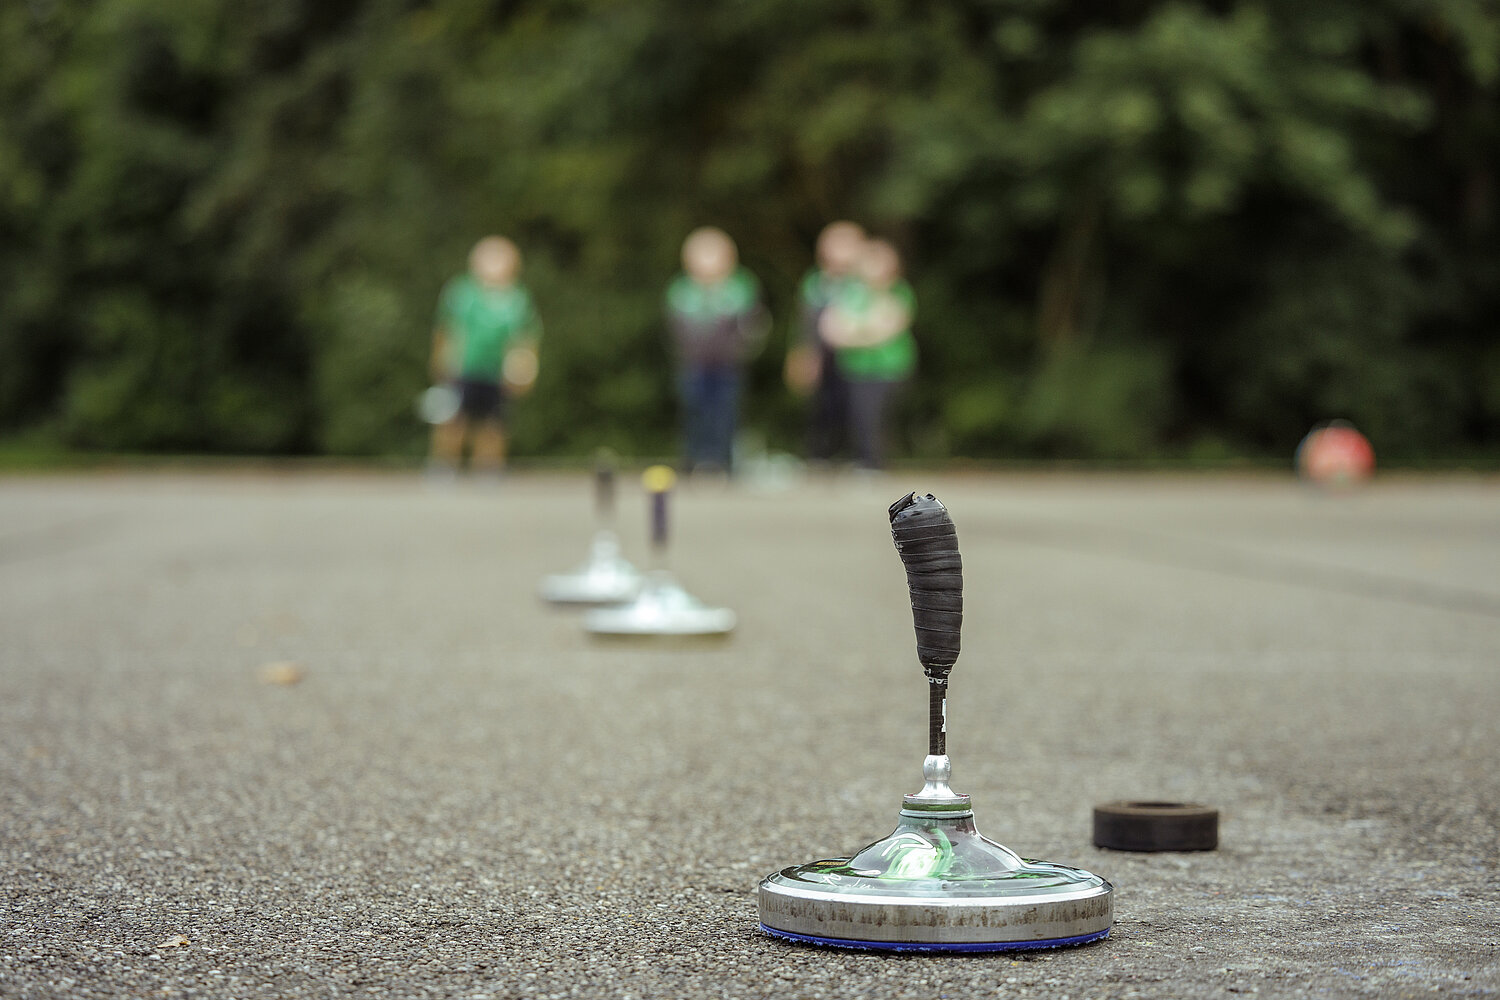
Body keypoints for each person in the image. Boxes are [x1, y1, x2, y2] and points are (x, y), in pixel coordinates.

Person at [427, 236, 541, 479]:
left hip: (498, 371)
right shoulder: (462, 291)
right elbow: (445, 329)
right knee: (453, 420)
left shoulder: (518, 299)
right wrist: (440, 362)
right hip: (463, 367)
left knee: (495, 423)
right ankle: (444, 468)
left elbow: (526, 338)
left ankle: (488, 470)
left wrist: (525, 370)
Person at [665, 227, 768, 474]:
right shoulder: (680, 290)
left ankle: (722, 462)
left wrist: (740, 350)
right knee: (694, 412)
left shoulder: (741, 286)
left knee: (725, 413)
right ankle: (694, 460)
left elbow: (754, 326)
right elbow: (674, 330)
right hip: (694, 364)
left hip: (728, 365)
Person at [819, 238, 916, 470]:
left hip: (889, 367)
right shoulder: (849, 292)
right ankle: (863, 460)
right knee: (857, 416)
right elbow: (830, 329)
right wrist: (864, 331)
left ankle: (873, 463)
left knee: (874, 416)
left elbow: (886, 329)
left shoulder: (899, 292)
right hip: (855, 367)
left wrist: (854, 332)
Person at [785, 221, 865, 464]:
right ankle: (819, 457)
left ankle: (854, 457)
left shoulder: (864, 284)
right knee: (821, 409)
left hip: (856, 360)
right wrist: (802, 354)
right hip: (821, 357)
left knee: (855, 408)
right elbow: (805, 324)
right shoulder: (814, 283)